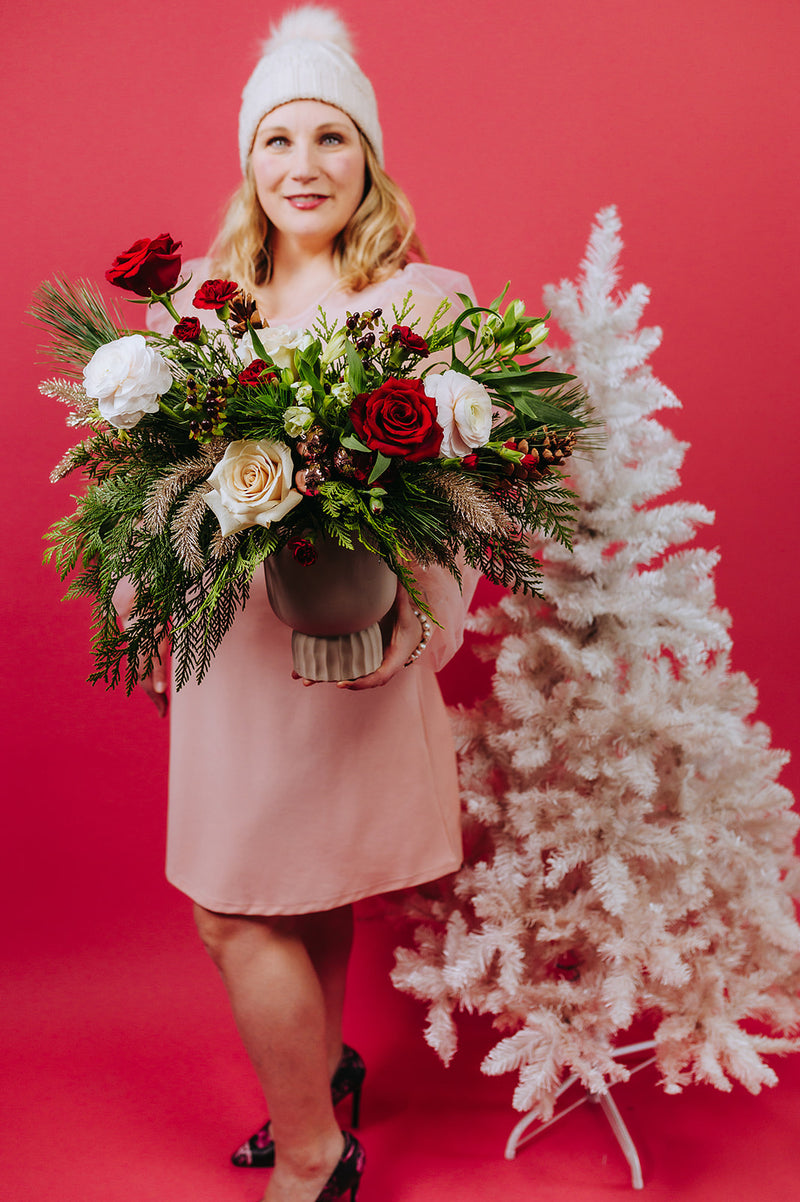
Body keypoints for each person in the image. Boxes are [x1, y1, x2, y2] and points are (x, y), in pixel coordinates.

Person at [131, 8, 479, 1201]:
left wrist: (414, 621)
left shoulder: (424, 303)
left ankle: (312, 1155)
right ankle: (319, 1074)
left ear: (367, 158)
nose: (303, 165)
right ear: (249, 162)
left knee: (259, 902)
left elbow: (469, 501)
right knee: (267, 890)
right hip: (230, 658)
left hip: (348, 649)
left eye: (331, 137)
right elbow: (148, 493)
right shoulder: (200, 315)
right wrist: (147, 605)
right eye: (277, 139)